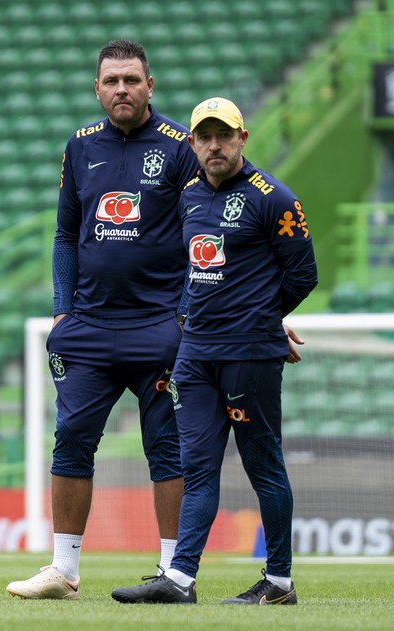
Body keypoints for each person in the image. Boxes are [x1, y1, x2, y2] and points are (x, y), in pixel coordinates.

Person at [6, 39, 200, 600]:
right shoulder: (79, 145)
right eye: (111, 80)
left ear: (150, 86)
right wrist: (61, 309)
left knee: (167, 448)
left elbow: (202, 230)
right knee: (70, 439)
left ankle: (173, 574)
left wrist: (186, 314)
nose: (122, 89)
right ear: (97, 88)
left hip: (159, 326)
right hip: (89, 327)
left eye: (132, 80)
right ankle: (63, 570)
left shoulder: (179, 147)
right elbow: (66, 233)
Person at [111, 97, 318, 605]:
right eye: (204, 137)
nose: (213, 145)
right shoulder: (188, 197)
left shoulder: (275, 198)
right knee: (197, 466)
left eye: (223, 135)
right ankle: (179, 579)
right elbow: (193, 272)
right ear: (193, 143)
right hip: (195, 355)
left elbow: (303, 274)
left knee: (262, 464)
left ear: (242, 139)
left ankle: (279, 582)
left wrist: (262, 319)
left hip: (248, 354)